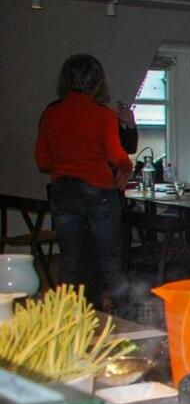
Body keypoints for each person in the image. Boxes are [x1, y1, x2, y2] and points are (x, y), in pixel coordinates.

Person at [35, 54, 135, 315]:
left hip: (63, 191)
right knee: (111, 263)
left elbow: (42, 160)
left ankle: (64, 320)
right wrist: (126, 168)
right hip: (98, 191)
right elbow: (116, 155)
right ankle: (128, 323)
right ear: (98, 82)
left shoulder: (51, 112)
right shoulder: (102, 115)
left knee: (69, 261)